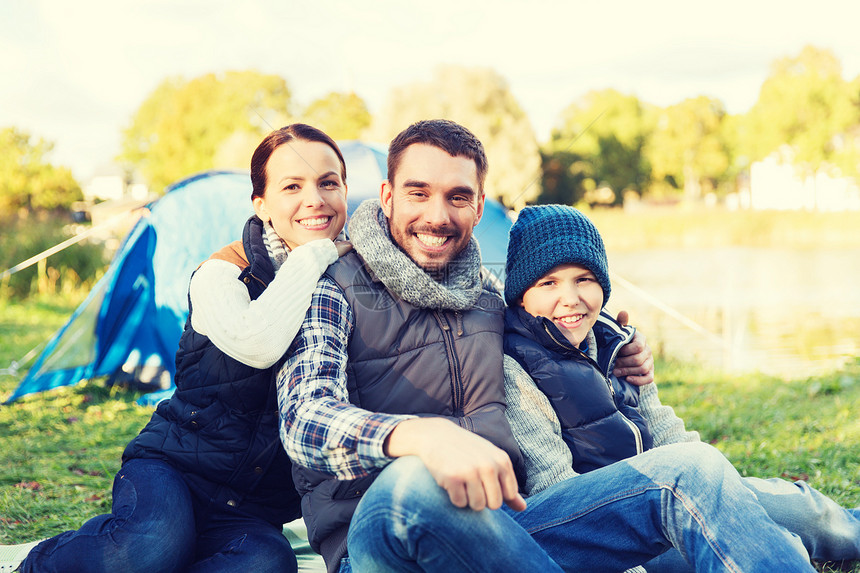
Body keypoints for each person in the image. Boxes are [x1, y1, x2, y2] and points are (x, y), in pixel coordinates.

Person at [278, 118, 818, 572]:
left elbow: (559, 325)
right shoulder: (331, 285)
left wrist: (615, 349)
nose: (438, 216)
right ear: (388, 196)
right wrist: (421, 438)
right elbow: (303, 420)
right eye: (419, 193)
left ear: (480, 203)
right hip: (383, 534)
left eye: (458, 196)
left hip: (512, 523)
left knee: (693, 468)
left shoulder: (487, 296)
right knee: (415, 483)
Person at [7, 124, 351, 573]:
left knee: (266, 564)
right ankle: (41, 563)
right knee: (148, 548)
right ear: (262, 205)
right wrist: (316, 254)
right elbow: (260, 343)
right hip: (174, 473)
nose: (316, 199)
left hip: (250, 506)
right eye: (292, 186)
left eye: (329, 183)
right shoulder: (223, 274)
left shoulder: (354, 282)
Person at [501, 203, 860, 571]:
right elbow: (558, 491)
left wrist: (729, 497)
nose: (571, 298)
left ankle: (848, 531)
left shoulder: (614, 346)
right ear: (520, 295)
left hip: (671, 497)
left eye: (584, 279)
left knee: (798, 511)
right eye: (548, 283)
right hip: (617, 536)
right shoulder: (514, 368)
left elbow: (668, 434)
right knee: (749, 544)